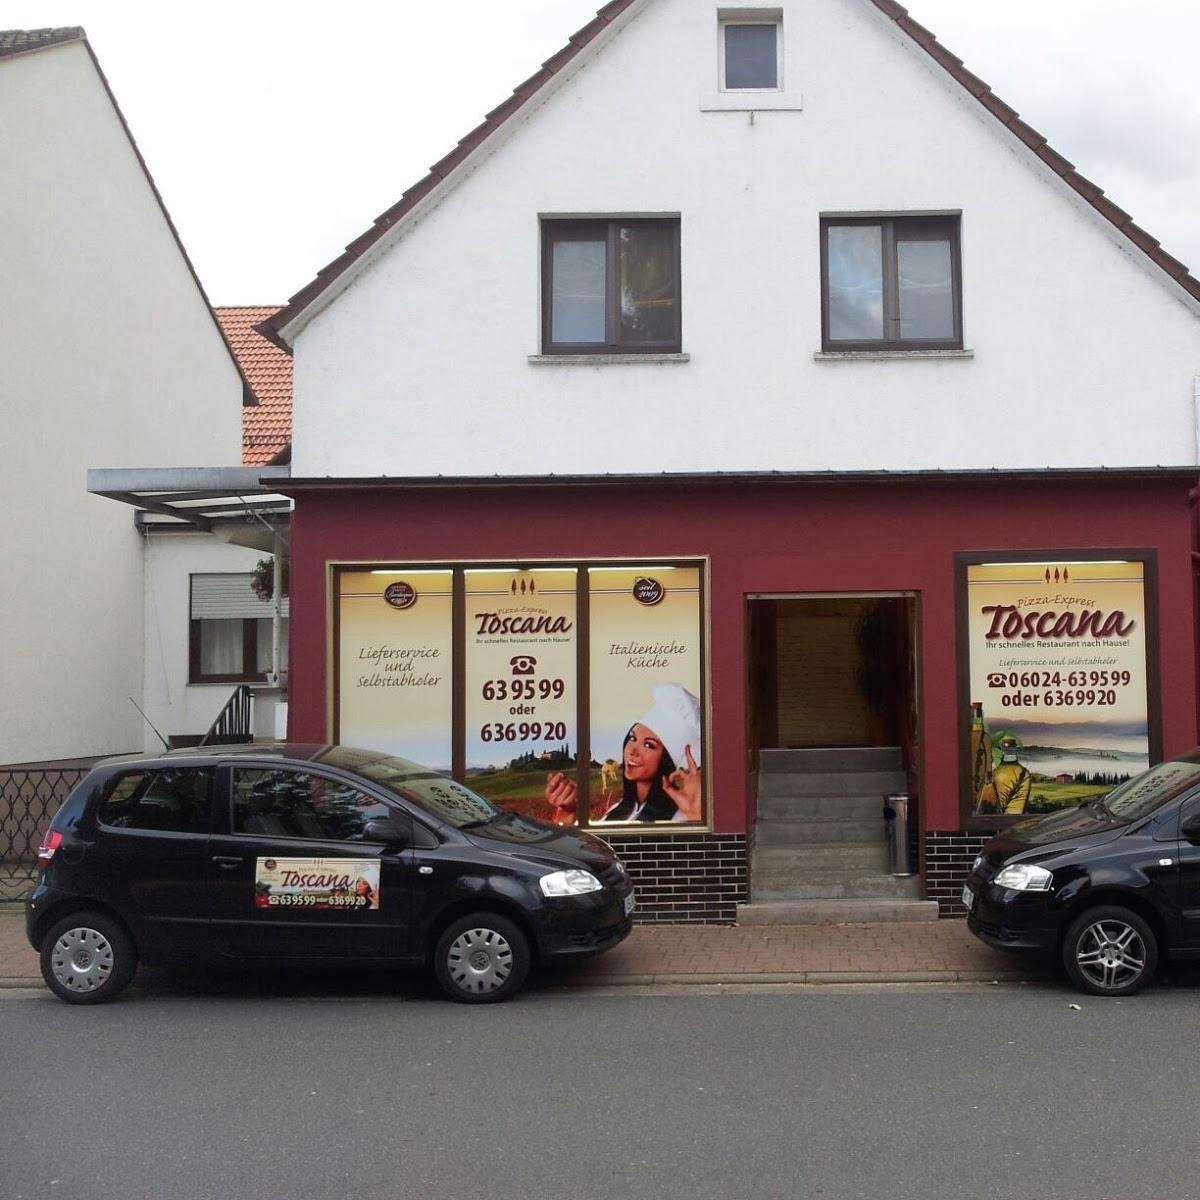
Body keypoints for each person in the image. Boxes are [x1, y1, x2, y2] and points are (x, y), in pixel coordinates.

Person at [602, 683, 702, 823]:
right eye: (632, 738)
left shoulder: (681, 818)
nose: (632, 751)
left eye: (648, 745)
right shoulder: (614, 811)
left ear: (667, 759)